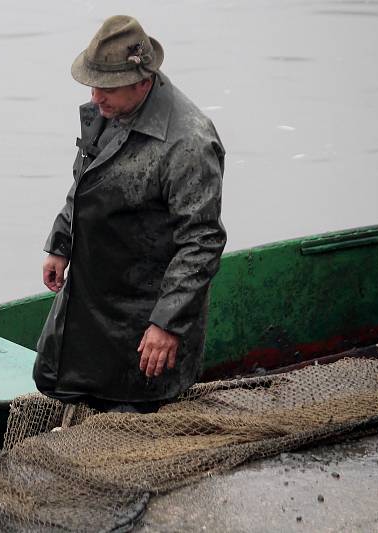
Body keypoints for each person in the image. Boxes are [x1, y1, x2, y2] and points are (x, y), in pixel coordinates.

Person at [33, 15, 227, 413]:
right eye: (93, 84)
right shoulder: (108, 111)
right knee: (54, 379)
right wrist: (61, 243)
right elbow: (85, 182)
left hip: (145, 310)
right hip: (91, 291)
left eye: (107, 88)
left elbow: (202, 242)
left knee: (132, 404)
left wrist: (167, 323)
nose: (95, 98)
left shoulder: (188, 142)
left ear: (143, 82)